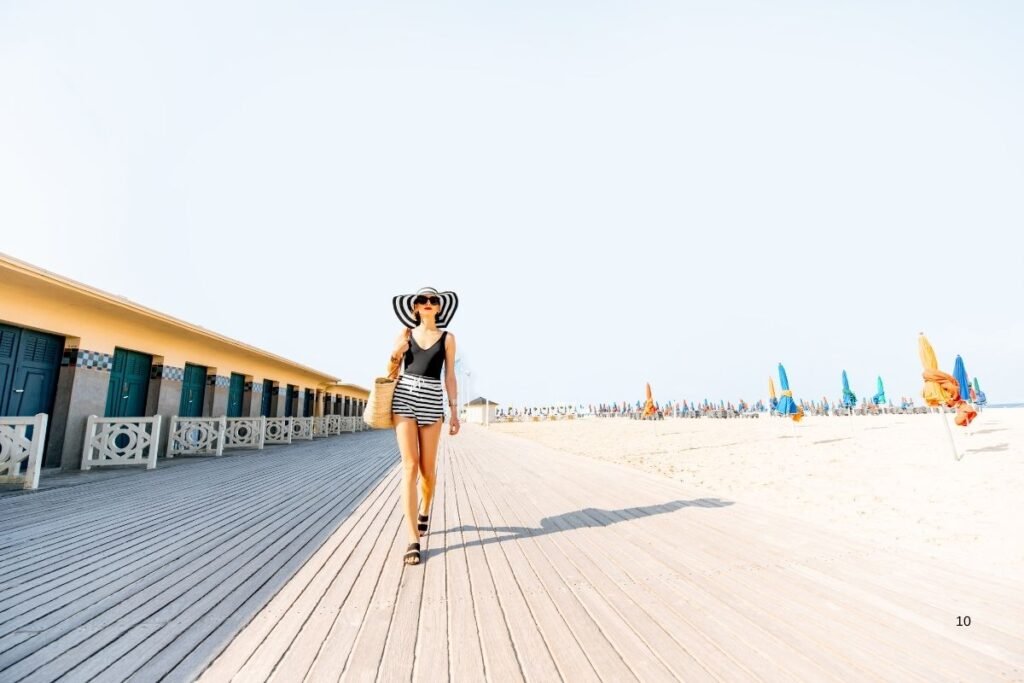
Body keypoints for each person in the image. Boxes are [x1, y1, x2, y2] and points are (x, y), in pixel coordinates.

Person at [389, 286, 460, 566]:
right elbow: (391, 370)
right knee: (410, 466)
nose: (428, 303)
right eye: (422, 300)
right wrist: (397, 352)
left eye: (433, 300)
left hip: (432, 399)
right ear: (415, 307)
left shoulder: (448, 338)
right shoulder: (405, 334)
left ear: (440, 307)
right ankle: (412, 539)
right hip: (404, 396)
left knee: (428, 472)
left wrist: (454, 412)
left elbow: (450, 376)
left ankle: (425, 507)